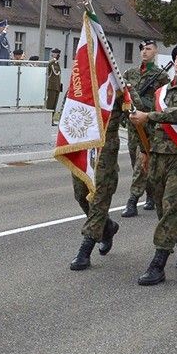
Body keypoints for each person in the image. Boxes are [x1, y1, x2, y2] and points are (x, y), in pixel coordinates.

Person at [128, 42, 177, 286]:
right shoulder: (162, 91)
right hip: (158, 154)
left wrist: (150, 116)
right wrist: (145, 150)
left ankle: (158, 264)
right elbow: (151, 125)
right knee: (164, 209)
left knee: (172, 207)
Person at [68, 86, 124, 272]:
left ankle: (85, 252)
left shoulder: (115, 83)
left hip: (105, 151)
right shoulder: (81, 82)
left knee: (99, 198)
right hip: (83, 148)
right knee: (81, 195)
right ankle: (107, 226)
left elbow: (135, 113)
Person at [121, 40, 169, 217]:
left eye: (148, 49)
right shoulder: (130, 73)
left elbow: (164, 101)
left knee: (143, 162)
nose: (144, 52)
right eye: (142, 49)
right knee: (136, 160)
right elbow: (124, 96)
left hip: (150, 124)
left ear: (155, 52)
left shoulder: (161, 75)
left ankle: (133, 200)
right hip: (133, 124)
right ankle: (150, 193)